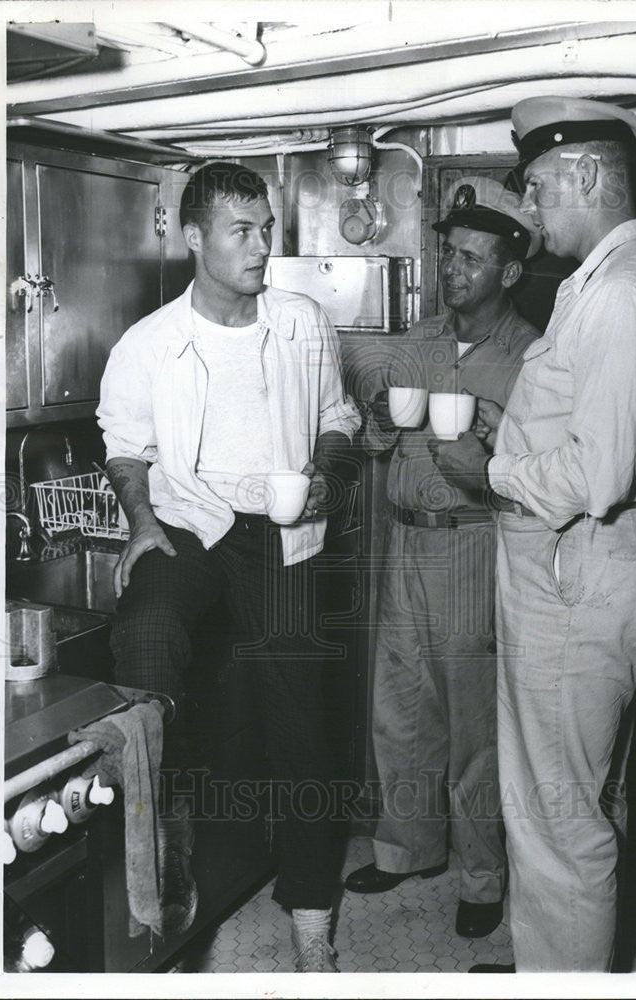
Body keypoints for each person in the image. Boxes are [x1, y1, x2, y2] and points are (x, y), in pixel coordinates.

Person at [431, 97, 636, 971]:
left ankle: (560, 976)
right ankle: (557, 956)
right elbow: (589, 425)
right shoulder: (606, 282)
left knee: (556, 816)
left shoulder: (621, 293)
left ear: (585, 174)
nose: (530, 209)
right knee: (576, 798)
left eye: (538, 187)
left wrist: (489, 471)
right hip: (584, 568)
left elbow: (601, 473)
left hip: (580, 572)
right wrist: (518, 426)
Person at [96, 161, 361, 972]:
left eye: (267, 228)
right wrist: (140, 525)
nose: (261, 247)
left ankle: (312, 922)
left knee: (305, 727)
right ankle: (151, 872)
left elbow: (337, 417)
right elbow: (126, 449)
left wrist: (327, 472)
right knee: (144, 633)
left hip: (280, 536)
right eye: (242, 231)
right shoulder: (148, 345)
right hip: (189, 523)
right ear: (192, 237)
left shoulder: (303, 322)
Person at [344, 177, 542, 940]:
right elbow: (376, 443)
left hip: (476, 543)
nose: (453, 270)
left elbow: (545, 470)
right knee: (400, 708)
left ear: (510, 272)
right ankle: (406, 849)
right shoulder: (416, 344)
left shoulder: (533, 357)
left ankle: (484, 873)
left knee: (473, 726)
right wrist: (375, 423)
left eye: (472, 258)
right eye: (449, 254)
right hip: (406, 541)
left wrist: (495, 439)